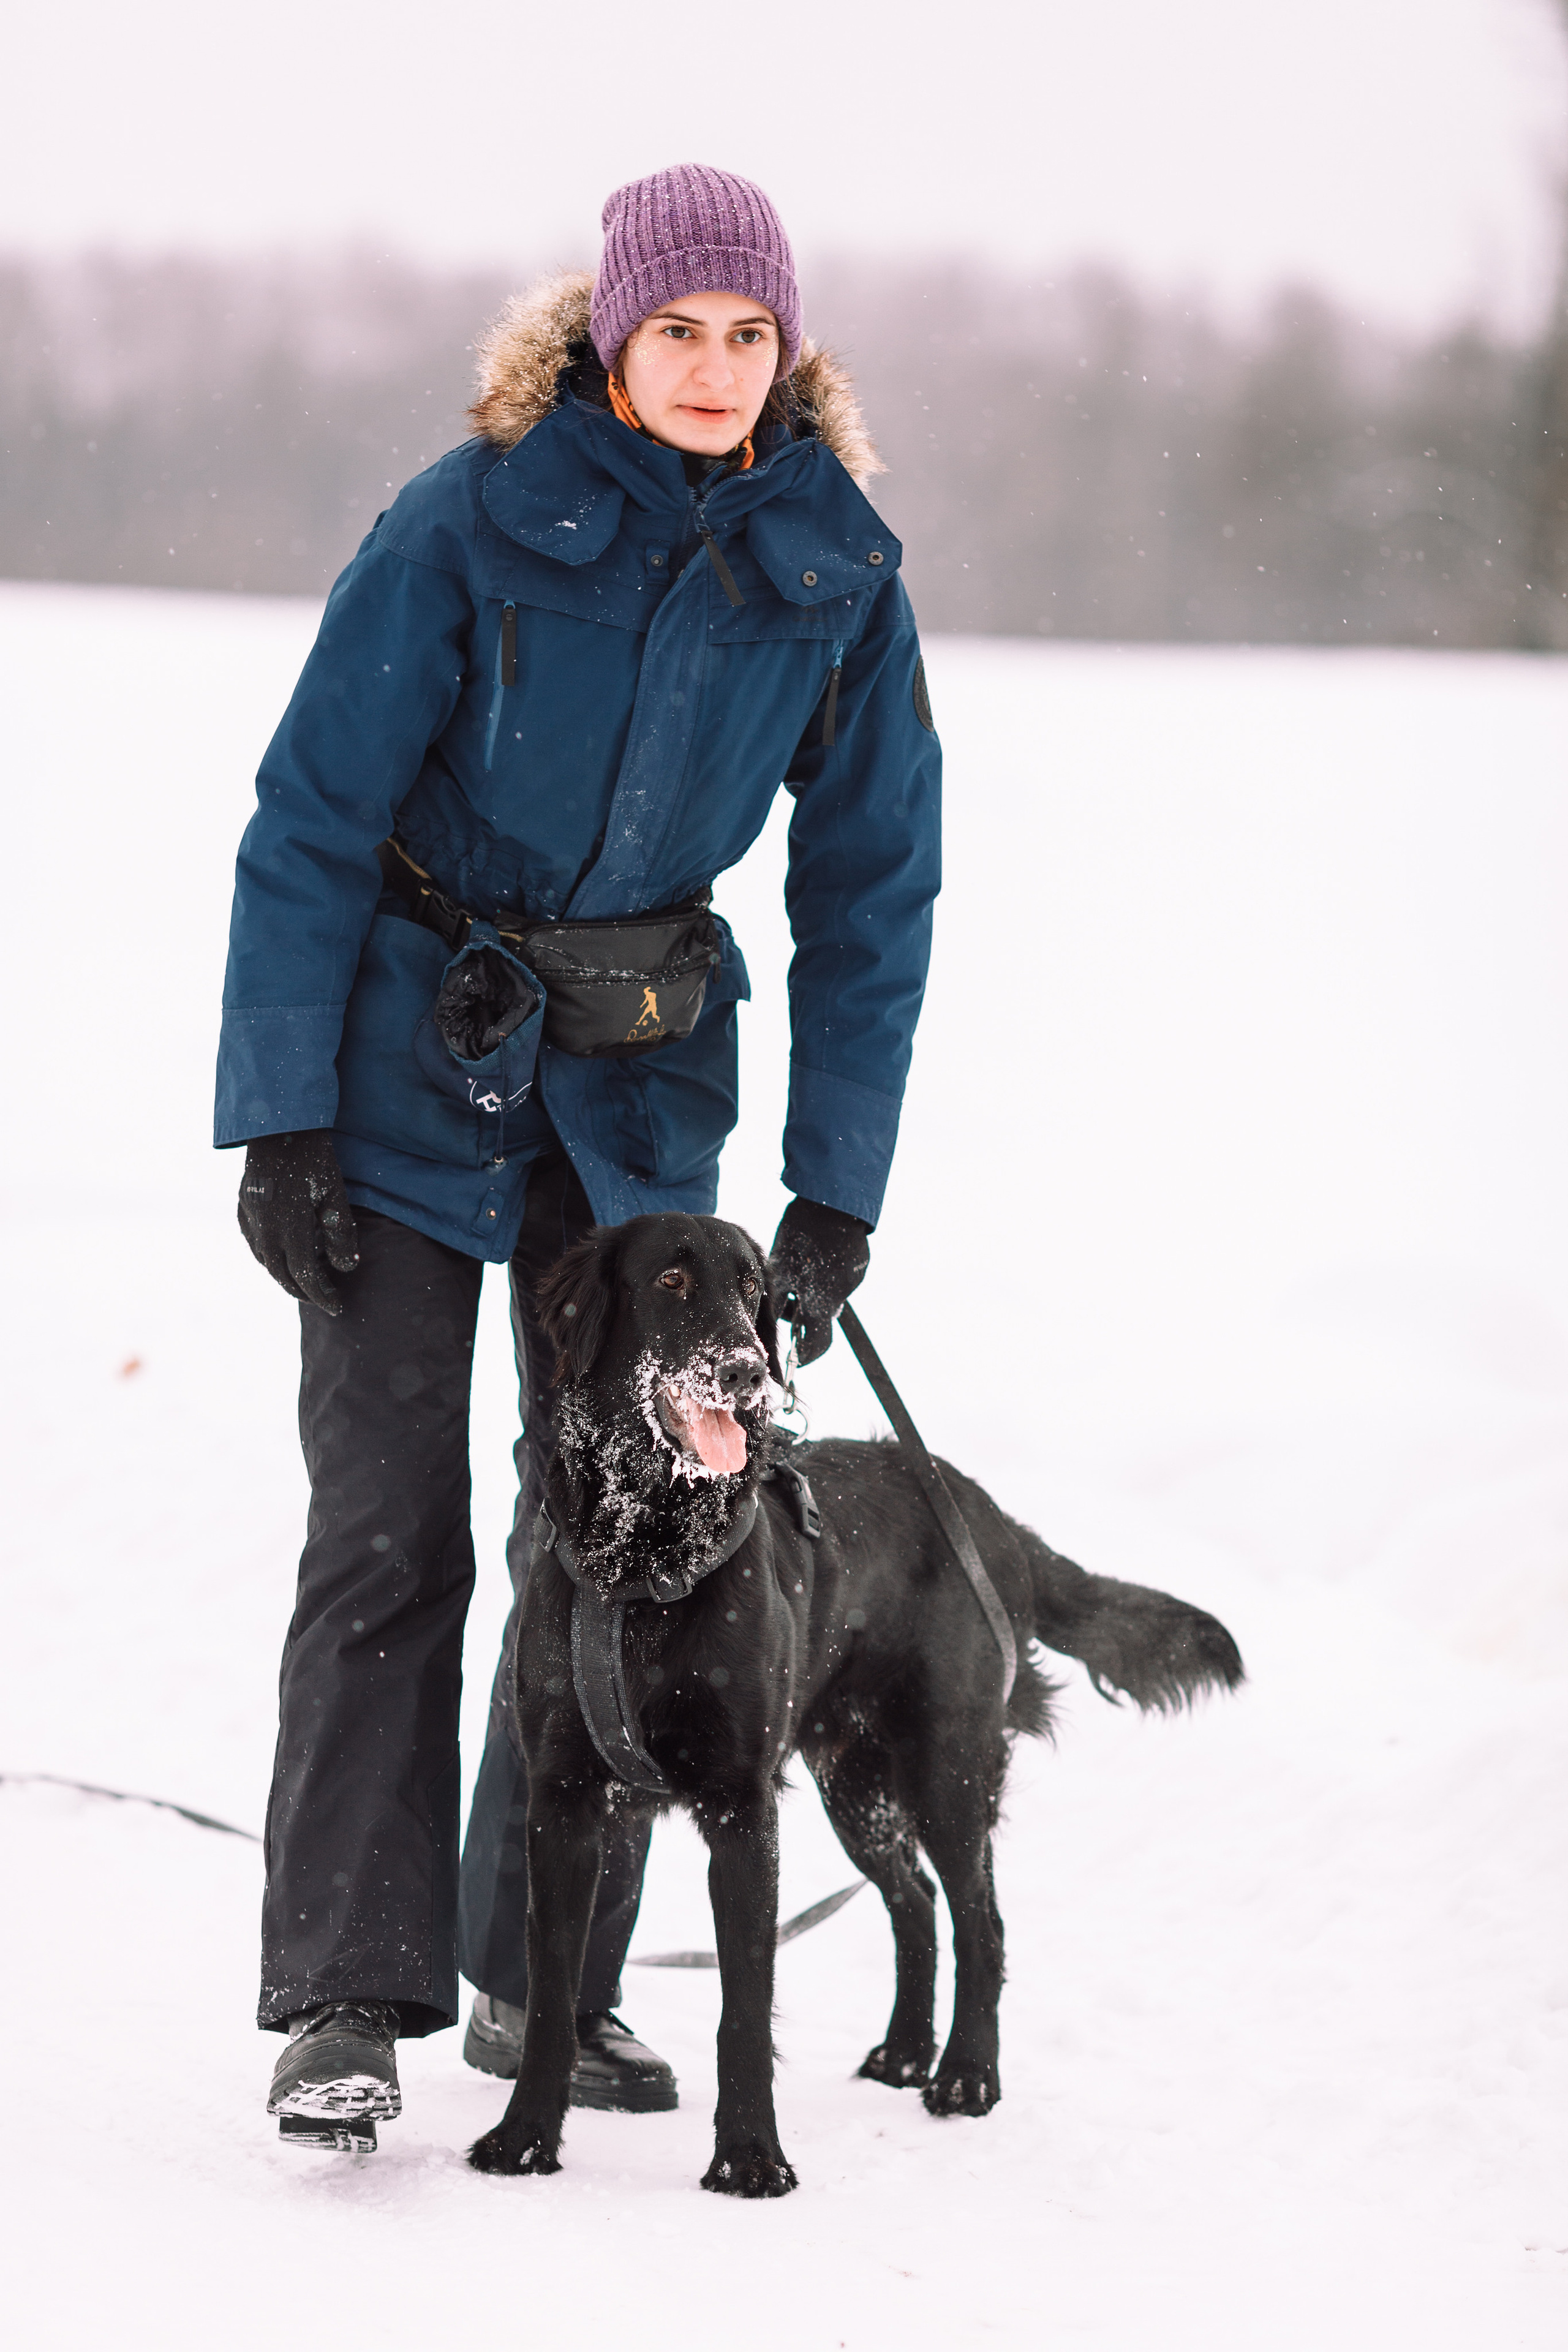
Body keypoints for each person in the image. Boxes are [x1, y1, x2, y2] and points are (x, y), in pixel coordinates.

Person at [216, 162, 941, 2149]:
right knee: (388, 1532)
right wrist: (279, 1110)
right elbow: (307, 813)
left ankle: (548, 1980)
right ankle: (348, 1999)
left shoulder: (836, 567)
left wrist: (835, 1183)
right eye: (677, 330)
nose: (713, 368)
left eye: (748, 334)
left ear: (792, 353)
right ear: (608, 337)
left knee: (623, 1537)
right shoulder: (469, 518)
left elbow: (875, 887)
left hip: (636, 1099)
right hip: (398, 1059)